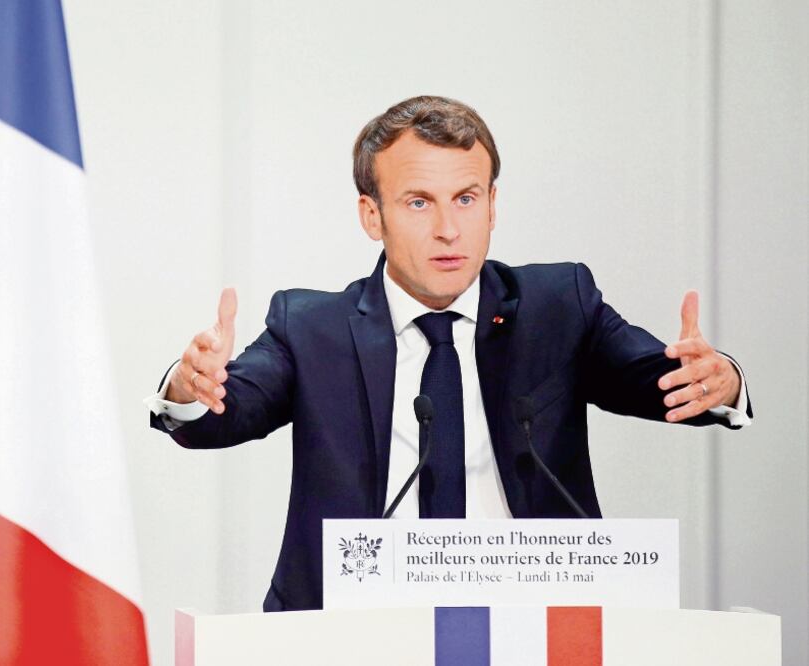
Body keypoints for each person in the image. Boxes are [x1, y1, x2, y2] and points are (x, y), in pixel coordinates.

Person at [145, 96, 751, 612]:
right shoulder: (310, 327)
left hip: (535, 622)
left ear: (493, 204)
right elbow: (224, 412)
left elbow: (667, 384)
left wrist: (718, 381)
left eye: (465, 198)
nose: (448, 229)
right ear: (371, 215)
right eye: (418, 202)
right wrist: (189, 386)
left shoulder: (559, 304)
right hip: (355, 631)